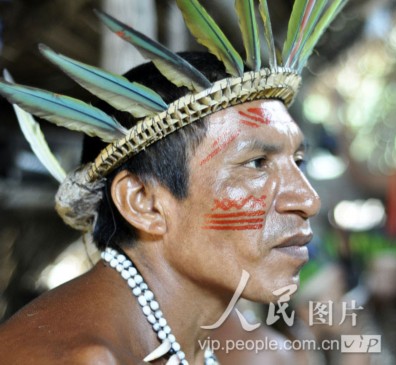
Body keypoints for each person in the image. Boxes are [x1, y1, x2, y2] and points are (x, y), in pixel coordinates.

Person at [0, 1, 346, 363]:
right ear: (144, 202)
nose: (308, 200)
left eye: (298, 161)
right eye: (257, 163)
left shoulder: (235, 348)